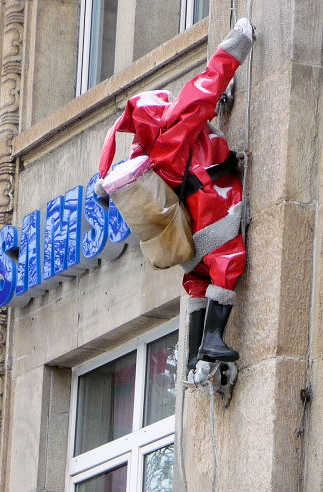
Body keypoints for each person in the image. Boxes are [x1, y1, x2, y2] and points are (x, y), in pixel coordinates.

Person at [98, 18, 255, 372]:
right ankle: (212, 341)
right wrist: (238, 41)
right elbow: (204, 90)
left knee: (199, 280)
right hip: (211, 213)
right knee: (227, 262)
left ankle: (192, 359)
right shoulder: (173, 129)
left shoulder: (145, 152)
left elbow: (204, 116)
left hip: (183, 233)